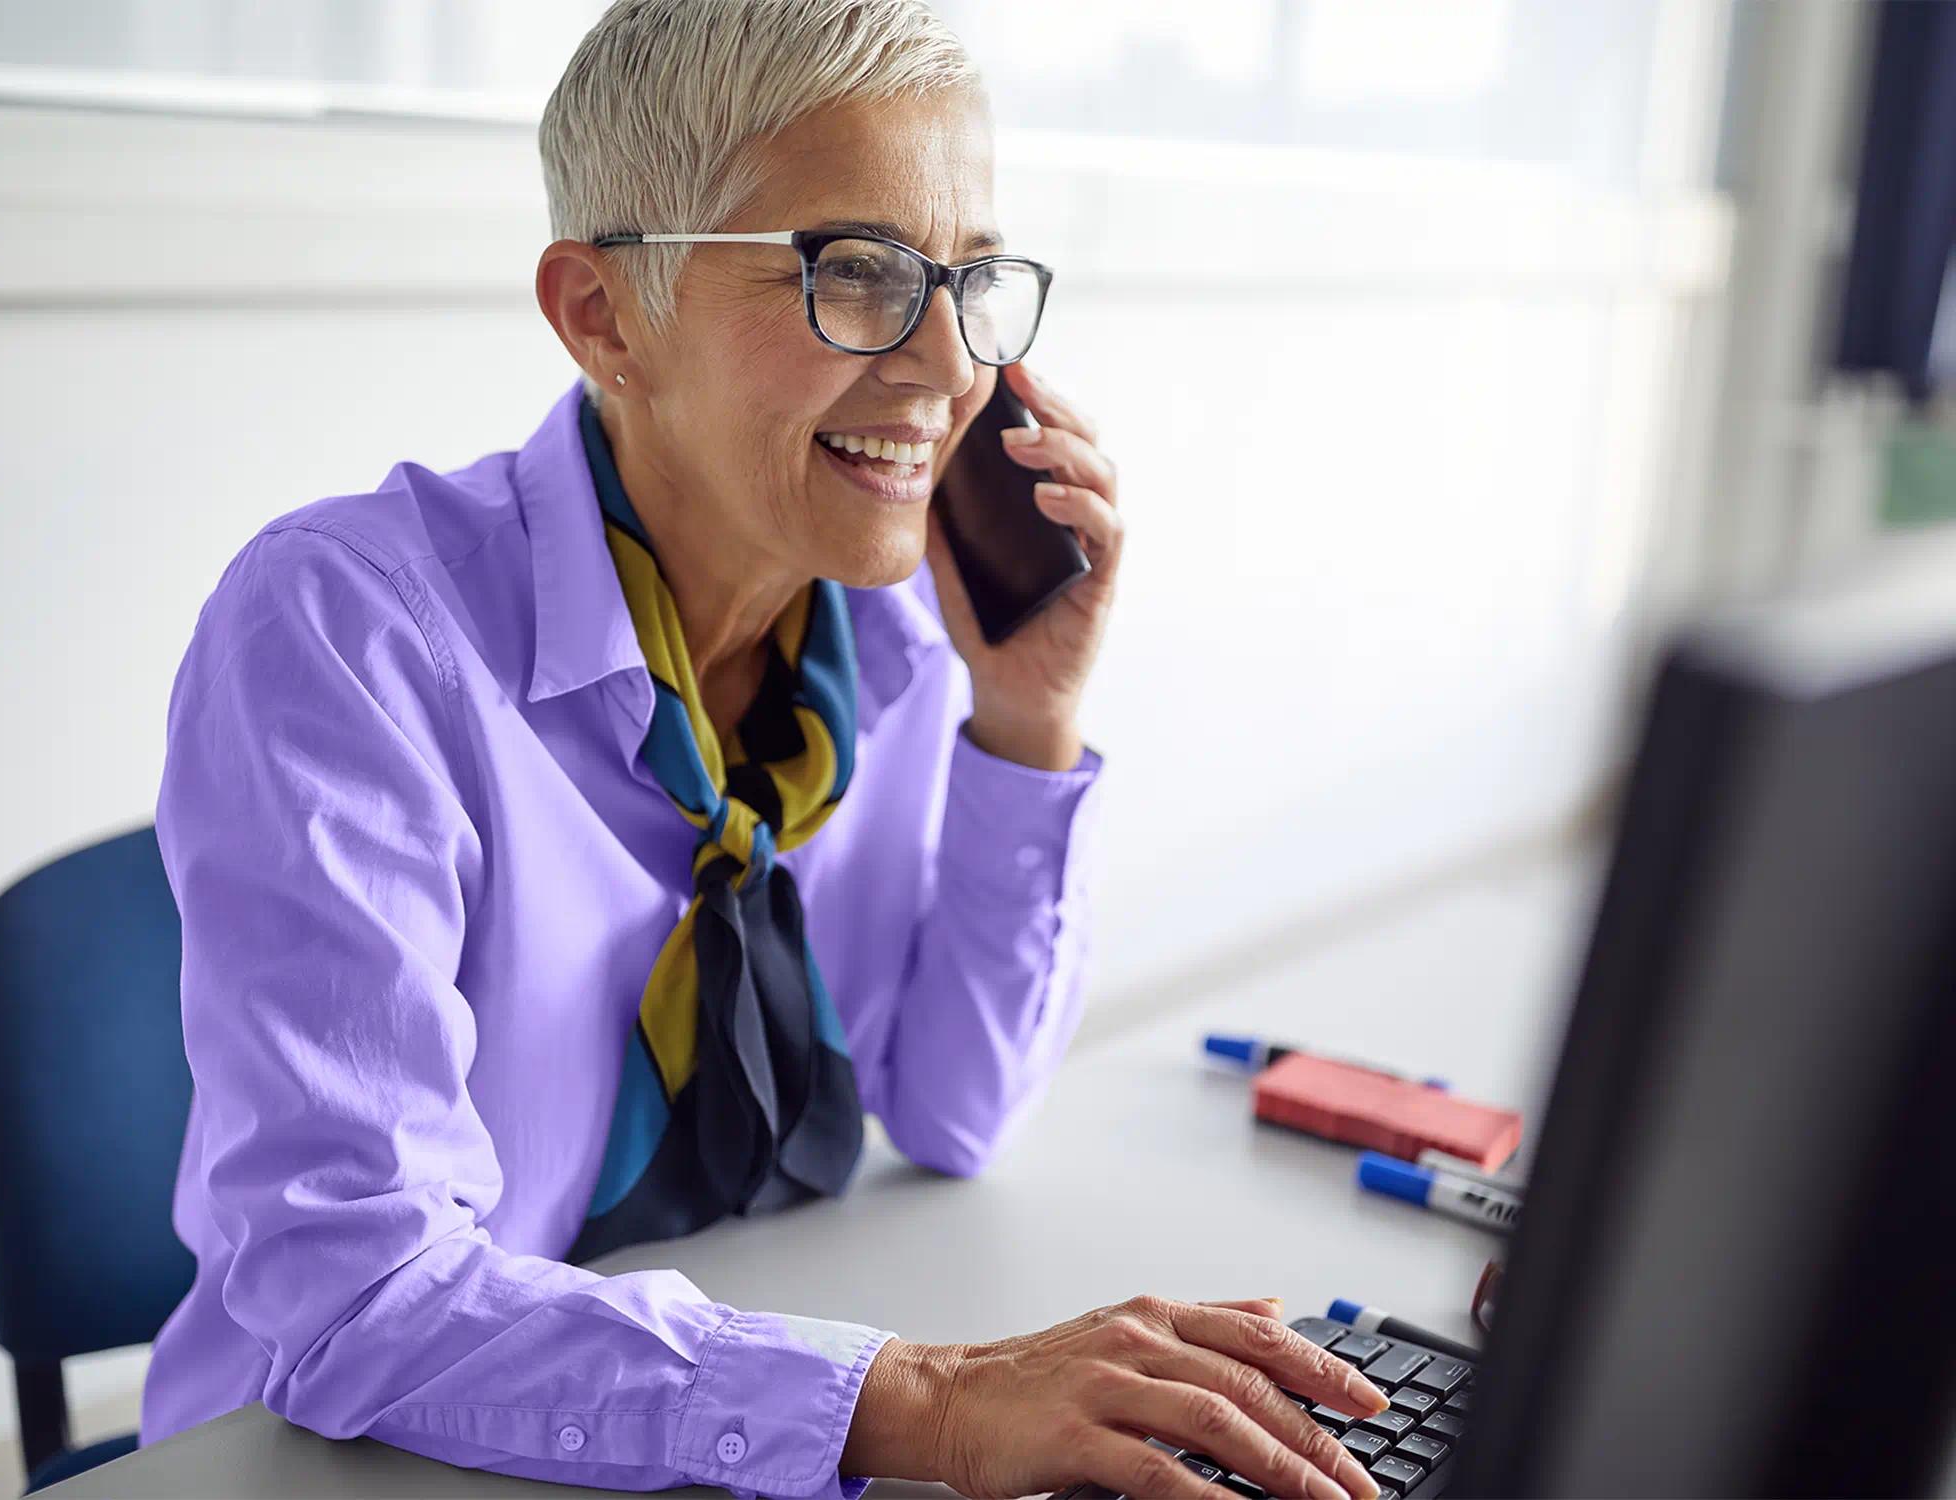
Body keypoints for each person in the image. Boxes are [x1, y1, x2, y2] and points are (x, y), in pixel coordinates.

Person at [138, 3, 1384, 1498]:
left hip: (715, 1431)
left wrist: (1029, 725)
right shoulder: (348, 635)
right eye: (855, 273)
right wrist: (922, 1398)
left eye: (971, 280)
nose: (943, 365)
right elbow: (359, 1304)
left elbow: (953, 1109)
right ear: (604, 314)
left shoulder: (902, 634)